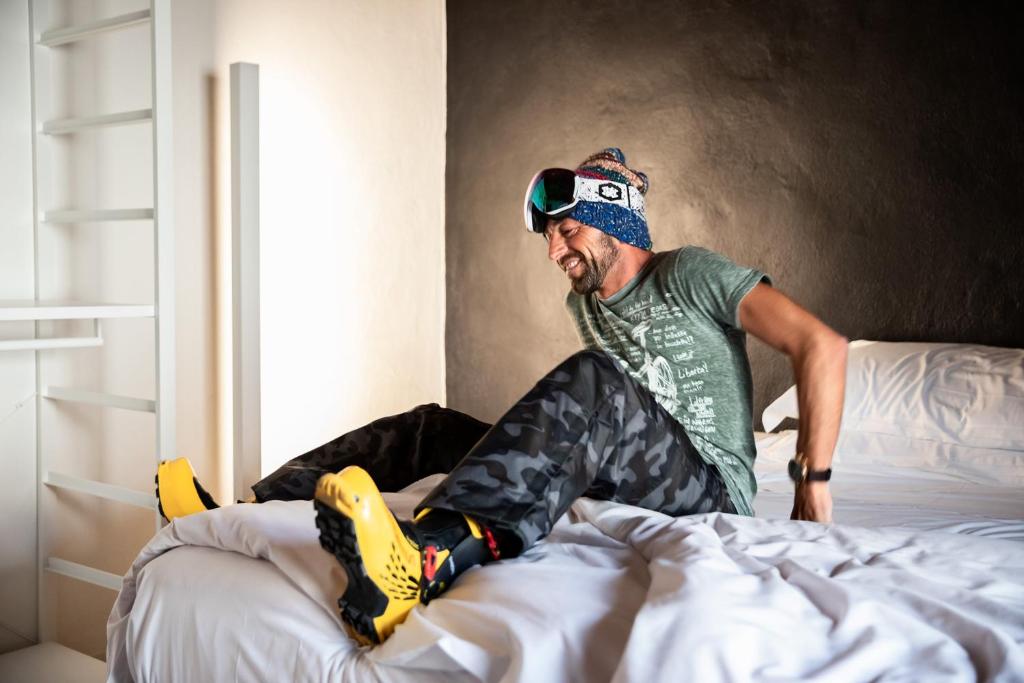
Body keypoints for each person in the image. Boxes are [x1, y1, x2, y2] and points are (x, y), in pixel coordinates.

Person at [156, 148, 847, 647]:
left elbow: (822, 346)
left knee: (595, 380)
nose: (554, 252)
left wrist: (810, 485)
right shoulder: (588, 304)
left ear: (616, 221)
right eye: (549, 237)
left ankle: (423, 560)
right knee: (430, 427)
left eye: (568, 230)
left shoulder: (689, 273)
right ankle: (249, 508)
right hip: (624, 472)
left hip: (709, 489)